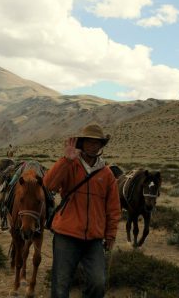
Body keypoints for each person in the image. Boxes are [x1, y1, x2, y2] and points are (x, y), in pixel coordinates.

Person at [43, 124, 121, 298]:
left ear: (101, 146)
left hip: (94, 239)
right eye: (89, 142)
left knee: (98, 282)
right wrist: (65, 160)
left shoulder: (107, 174)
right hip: (66, 235)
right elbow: (49, 185)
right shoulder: (70, 165)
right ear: (82, 144)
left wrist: (110, 235)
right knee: (61, 285)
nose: (92, 146)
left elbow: (113, 208)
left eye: (96, 143)